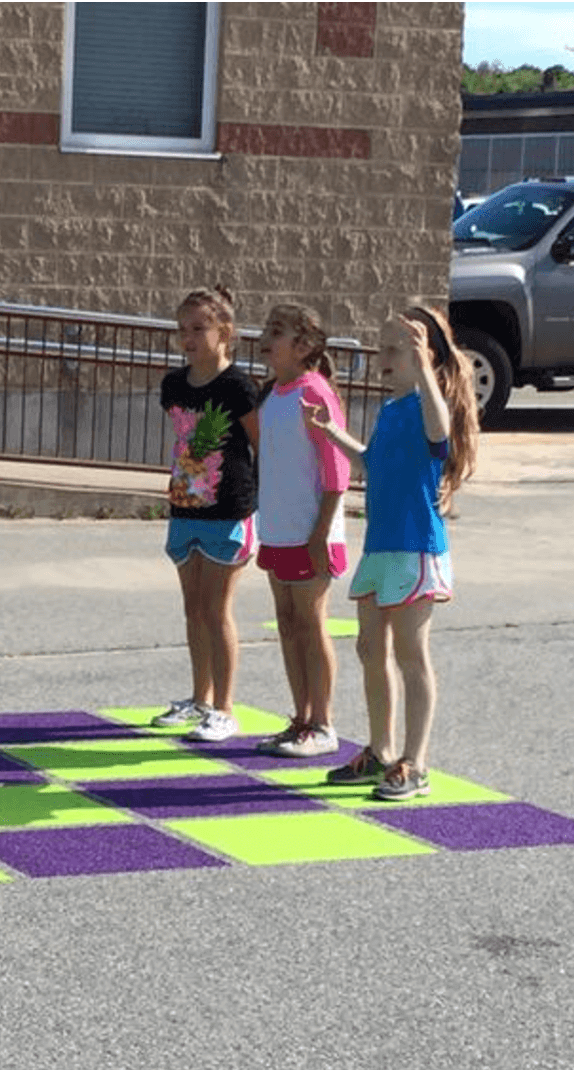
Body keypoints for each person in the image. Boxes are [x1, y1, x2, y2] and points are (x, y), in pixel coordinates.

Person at [302, 306, 479, 800]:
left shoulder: (430, 402)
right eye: (382, 348)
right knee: (368, 649)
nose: (383, 357)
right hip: (379, 547)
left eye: (395, 349)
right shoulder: (391, 409)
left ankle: (415, 763)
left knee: (410, 654)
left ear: (426, 355)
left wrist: (424, 370)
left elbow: (439, 432)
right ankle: (379, 751)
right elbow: (370, 462)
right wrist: (328, 430)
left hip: (415, 548)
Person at [151, 285, 260, 743]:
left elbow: (260, 446)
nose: (189, 338)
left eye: (199, 328)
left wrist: (267, 506)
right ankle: (199, 698)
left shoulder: (238, 386)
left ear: (225, 333)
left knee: (217, 611)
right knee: (193, 609)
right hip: (186, 505)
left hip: (228, 510)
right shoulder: (174, 385)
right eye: (182, 330)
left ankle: (225, 707)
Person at [254, 305, 351, 758]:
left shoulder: (314, 393)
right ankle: (300, 717)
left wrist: (321, 530)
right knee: (288, 624)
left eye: (278, 332)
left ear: (305, 345)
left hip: (312, 531)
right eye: (268, 330)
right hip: (277, 530)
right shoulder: (272, 394)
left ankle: (324, 723)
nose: (267, 338)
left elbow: (337, 469)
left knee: (312, 624)